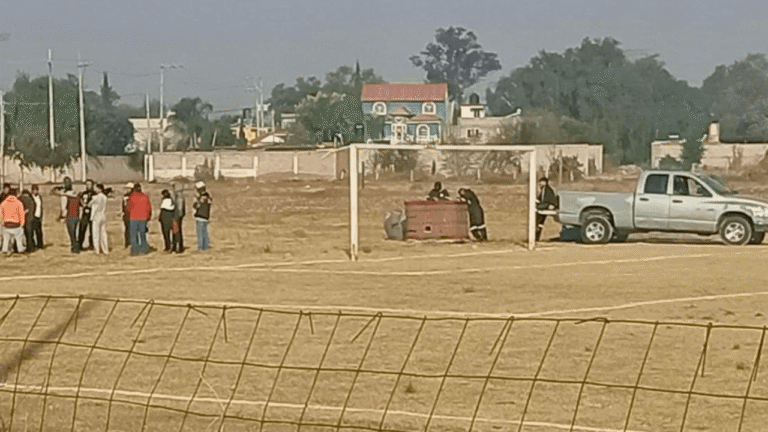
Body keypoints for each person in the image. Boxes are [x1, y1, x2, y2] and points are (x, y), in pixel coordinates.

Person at [126, 183, 152, 256]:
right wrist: (148, 217)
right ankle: (144, 249)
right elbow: (148, 208)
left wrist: (128, 216)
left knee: (133, 235)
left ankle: (135, 250)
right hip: (143, 217)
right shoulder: (145, 197)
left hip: (134, 217)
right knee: (142, 234)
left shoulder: (132, 197)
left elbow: (129, 208)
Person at [59, 177, 81, 253]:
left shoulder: (65, 195)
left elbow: (64, 207)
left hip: (70, 216)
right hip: (76, 215)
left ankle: (75, 247)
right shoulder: (76, 194)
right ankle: (75, 246)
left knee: (72, 233)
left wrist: (62, 216)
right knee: (74, 233)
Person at [1, 188, 26, 255]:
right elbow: (21, 214)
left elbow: (1, 214)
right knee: (19, 239)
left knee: (6, 239)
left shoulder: (4, 203)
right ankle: (20, 249)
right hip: (16, 225)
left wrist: (3, 222)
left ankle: (4, 250)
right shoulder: (19, 203)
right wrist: (22, 223)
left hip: (7, 225)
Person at [536, 177, 557, 241]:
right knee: (539, 222)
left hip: (547, 205)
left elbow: (550, 200)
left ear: (545, 182)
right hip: (544, 205)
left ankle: (536, 236)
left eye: (541, 182)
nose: (540, 183)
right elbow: (540, 199)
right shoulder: (543, 189)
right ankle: (536, 236)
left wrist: (552, 204)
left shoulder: (548, 190)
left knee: (539, 221)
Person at [90, 183, 109, 254]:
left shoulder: (96, 197)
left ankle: (97, 250)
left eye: (96, 188)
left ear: (99, 189)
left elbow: (89, 204)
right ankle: (105, 249)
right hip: (103, 214)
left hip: (96, 215)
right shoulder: (104, 197)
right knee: (103, 233)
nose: (94, 189)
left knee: (96, 234)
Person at [193, 181, 212, 251]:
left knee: (200, 233)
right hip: (206, 216)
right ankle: (206, 246)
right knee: (205, 232)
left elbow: (197, 206)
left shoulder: (201, 197)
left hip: (200, 216)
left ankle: (201, 247)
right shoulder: (208, 196)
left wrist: (196, 200)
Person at [78, 179, 96, 250]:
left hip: (92, 213)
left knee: (92, 230)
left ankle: (91, 244)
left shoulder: (95, 194)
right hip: (85, 213)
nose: (88, 186)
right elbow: (80, 202)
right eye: (87, 184)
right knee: (82, 228)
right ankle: (80, 244)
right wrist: (82, 203)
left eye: (90, 184)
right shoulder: (83, 193)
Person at [171, 183, 186, 253]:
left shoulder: (179, 197)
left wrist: (176, 218)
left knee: (177, 232)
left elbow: (179, 209)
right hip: (178, 216)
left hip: (177, 217)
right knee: (177, 232)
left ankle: (178, 247)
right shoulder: (179, 197)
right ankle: (178, 246)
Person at [31, 185, 44, 250]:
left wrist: (41, 216)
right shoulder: (31, 197)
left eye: (36, 190)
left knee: (39, 231)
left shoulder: (39, 197)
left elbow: (41, 207)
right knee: (32, 232)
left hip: (38, 216)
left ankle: (40, 245)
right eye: (34, 190)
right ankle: (33, 245)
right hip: (33, 216)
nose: (35, 191)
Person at [121, 183, 134, 248]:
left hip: (132, 215)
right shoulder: (125, 196)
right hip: (126, 215)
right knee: (127, 229)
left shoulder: (134, 196)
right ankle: (127, 242)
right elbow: (123, 205)